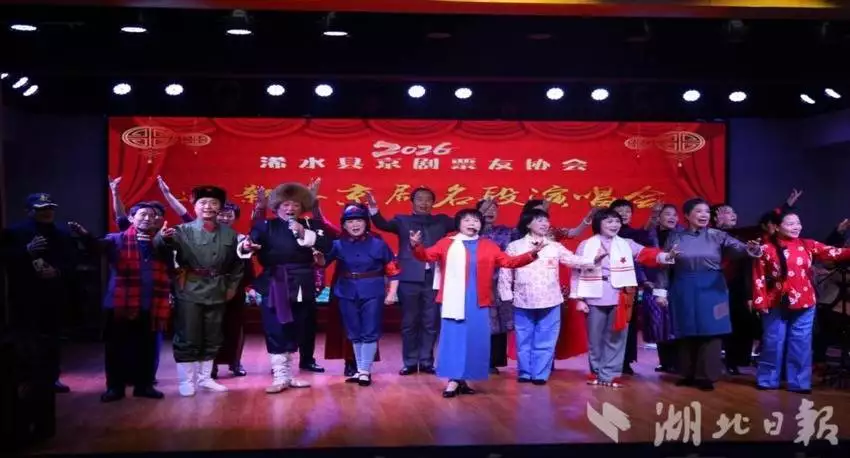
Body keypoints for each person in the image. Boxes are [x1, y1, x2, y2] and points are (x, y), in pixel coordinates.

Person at [410, 208, 543, 397]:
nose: (472, 224)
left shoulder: (488, 245)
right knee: (455, 340)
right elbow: (425, 256)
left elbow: (509, 262)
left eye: (476, 221)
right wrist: (416, 245)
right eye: (467, 220)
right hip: (454, 299)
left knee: (474, 340)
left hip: (478, 301)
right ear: (459, 224)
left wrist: (531, 254)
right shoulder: (447, 243)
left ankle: (463, 379)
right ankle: (453, 379)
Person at [653, 198, 762, 392]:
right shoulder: (675, 237)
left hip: (713, 288)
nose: (703, 215)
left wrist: (751, 249)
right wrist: (661, 292)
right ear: (687, 216)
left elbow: (740, 249)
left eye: (706, 212)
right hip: (683, 286)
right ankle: (687, 373)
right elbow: (665, 265)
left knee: (711, 331)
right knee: (685, 330)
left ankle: (706, 376)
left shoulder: (718, 235)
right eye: (698, 211)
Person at [75, 203, 171, 402]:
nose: (147, 218)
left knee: (146, 349)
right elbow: (95, 247)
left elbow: (172, 265)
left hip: (150, 304)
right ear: (131, 218)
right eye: (142, 215)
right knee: (116, 348)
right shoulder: (116, 239)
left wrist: (166, 240)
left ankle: (144, 386)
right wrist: (85, 236)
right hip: (120, 304)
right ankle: (115, 388)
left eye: (151, 215)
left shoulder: (161, 242)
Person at [241, 182, 331, 393]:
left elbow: (326, 245)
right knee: (276, 327)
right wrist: (247, 246)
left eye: (296, 205)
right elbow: (249, 244)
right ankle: (280, 376)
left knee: (297, 327)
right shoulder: (265, 226)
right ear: (277, 207)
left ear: (302, 208)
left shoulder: (310, 224)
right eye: (286, 205)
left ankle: (290, 376)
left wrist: (303, 232)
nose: (290, 209)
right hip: (275, 281)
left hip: (302, 282)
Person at [154, 186, 244, 397]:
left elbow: (238, 265)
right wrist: (162, 238)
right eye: (203, 203)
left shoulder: (231, 234)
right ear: (194, 207)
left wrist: (232, 287)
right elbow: (159, 250)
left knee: (213, 335)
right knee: (188, 334)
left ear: (220, 207)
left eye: (214, 203)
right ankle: (187, 381)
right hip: (190, 289)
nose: (208, 207)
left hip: (218, 289)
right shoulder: (181, 231)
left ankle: (206, 379)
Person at [571, 209, 677, 388]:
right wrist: (578, 298)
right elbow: (576, 271)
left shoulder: (626, 243)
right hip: (593, 294)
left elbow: (647, 254)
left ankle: (611, 374)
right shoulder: (586, 245)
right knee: (595, 338)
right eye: (609, 221)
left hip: (620, 295)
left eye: (617, 221)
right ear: (598, 224)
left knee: (617, 336)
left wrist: (666, 256)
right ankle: (596, 372)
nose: (614, 225)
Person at [750, 210, 850, 394]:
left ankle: (799, 382)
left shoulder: (807, 244)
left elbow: (834, 252)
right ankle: (767, 379)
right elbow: (758, 277)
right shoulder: (765, 248)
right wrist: (760, 302)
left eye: (798, 223)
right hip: (776, 302)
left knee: (801, 343)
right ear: (777, 227)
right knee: (773, 341)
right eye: (790, 224)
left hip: (805, 301)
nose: (796, 227)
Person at [498, 209, 596, 385]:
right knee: (523, 337)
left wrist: (593, 260)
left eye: (546, 221)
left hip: (550, 299)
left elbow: (572, 259)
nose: (545, 224)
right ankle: (525, 372)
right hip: (523, 299)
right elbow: (506, 270)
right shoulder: (515, 246)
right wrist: (506, 294)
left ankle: (540, 374)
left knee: (547, 338)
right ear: (528, 224)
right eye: (539, 220)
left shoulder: (554, 246)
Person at [366, 187, 455, 376]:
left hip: (434, 278)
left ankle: (427, 361)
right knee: (409, 321)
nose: (424, 203)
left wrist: (483, 209)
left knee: (431, 322)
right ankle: (410, 362)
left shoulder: (442, 221)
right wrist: (373, 208)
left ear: (434, 203)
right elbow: (382, 224)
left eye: (428, 199)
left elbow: (464, 221)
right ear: (412, 202)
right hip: (409, 278)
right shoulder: (402, 221)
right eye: (420, 199)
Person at [1, 193, 79, 394]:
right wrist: (26, 250)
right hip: (24, 294)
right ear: (29, 211)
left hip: (53, 294)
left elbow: (72, 261)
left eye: (50, 207)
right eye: (41, 208)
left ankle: (52, 378)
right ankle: (26, 380)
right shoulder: (14, 232)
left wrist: (57, 271)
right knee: (24, 338)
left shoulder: (62, 233)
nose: (47, 212)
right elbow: (6, 258)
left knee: (52, 338)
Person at [314, 203, 400, 386]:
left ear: (366, 223)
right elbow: (323, 263)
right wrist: (319, 257)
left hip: (373, 291)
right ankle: (360, 370)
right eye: (350, 221)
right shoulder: (337, 244)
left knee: (370, 331)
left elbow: (393, 271)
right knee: (354, 332)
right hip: (346, 291)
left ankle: (364, 371)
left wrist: (392, 293)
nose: (355, 225)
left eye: (359, 220)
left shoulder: (379, 244)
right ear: (344, 226)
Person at [608, 199, 653, 375]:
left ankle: (625, 360)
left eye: (628, 211)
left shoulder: (633, 236)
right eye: (620, 211)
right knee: (610, 323)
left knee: (628, 323)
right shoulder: (605, 235)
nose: (624, 214)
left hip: (628, 286)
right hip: (609, 285)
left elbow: (644, 241)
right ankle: (608, 360)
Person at [211, 201, 251, 379]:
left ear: (235, 219)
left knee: (235, 327)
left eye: (229, 216)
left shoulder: (241, 239)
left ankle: (235, 362)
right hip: (210, 288)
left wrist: (244, 286)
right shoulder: (204, 236)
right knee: (212, 327)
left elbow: (246, 266)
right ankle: (211, 364)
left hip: (235, 289)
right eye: (222, 214)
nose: (225, 218)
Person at [476, 198, 513, 374]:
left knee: (499, 322)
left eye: (494, 209)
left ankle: (493, 360)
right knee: (482, 321)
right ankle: (478, 359)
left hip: (499, 283)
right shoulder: (470, 233)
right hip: (476, 283)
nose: (490, 212)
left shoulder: (505, 232)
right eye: (487, 208)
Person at [643, 203, 681, 372]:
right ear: (658, 218)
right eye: (667, 214)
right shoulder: (649, 235)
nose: (672, 217)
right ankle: (665, 361)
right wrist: (644, 280)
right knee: (659, 324)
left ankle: (677, 362)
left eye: (674, 215)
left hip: (675, 283)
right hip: (652, 284)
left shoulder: (681, 235)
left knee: (674, 323)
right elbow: (640, 258)